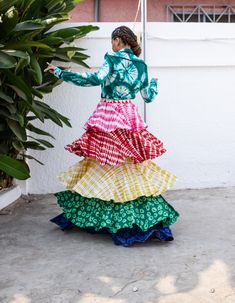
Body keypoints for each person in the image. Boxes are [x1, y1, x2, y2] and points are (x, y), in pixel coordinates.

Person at [45, 26, 179, 247]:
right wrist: (154, 84)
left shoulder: (112, 58)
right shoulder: (141, 65)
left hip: (108, 116)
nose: (111, 45)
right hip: (129, 116)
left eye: (112, 41)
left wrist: (60, 73)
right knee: (129, 165)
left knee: (105, 163)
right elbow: (148, 97)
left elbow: (93, 78)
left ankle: (110, 219)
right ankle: (138, 218)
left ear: (118, 40)